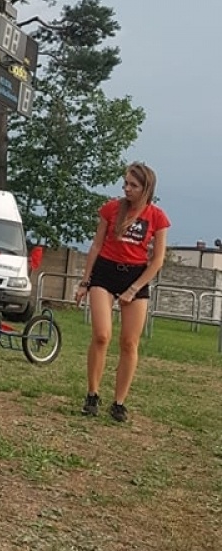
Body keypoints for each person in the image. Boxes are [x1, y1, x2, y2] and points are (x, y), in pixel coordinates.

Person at [74, 162, 169, 422]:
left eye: (133, 185)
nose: (127, 188)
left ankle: (119, 402)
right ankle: (92, 394)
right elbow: (95, 246)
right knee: (102, 335)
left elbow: (158, 260)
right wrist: (84, 281)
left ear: (146, 188)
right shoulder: (111, 209)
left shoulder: (157, 217)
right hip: (105, 272)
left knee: (129, 342)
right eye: (125, 183)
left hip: (136, 276)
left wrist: (134, 289)